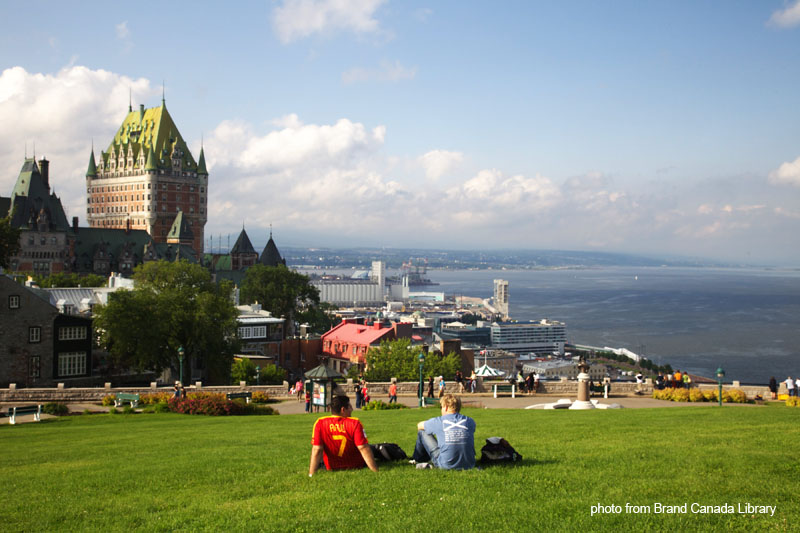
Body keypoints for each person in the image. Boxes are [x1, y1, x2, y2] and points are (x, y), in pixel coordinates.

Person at [309, 395, 379, 476]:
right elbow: (363, 447)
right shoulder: (354, 423)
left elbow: (317, 449)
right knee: (372, 448)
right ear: (343, 410)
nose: (352, 409)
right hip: (355, 464)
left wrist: (311, 474)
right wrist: (375, 470)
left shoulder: (320, 423)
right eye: (349, 407)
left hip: (332, 466)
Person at [412, 393, 476, 470]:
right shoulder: (470, 421)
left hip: (445, 465)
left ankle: (418, 459)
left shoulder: (439, 421)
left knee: (422, 432)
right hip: (469, 464)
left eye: (441, 407)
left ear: (445, 407)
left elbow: (419, 425)